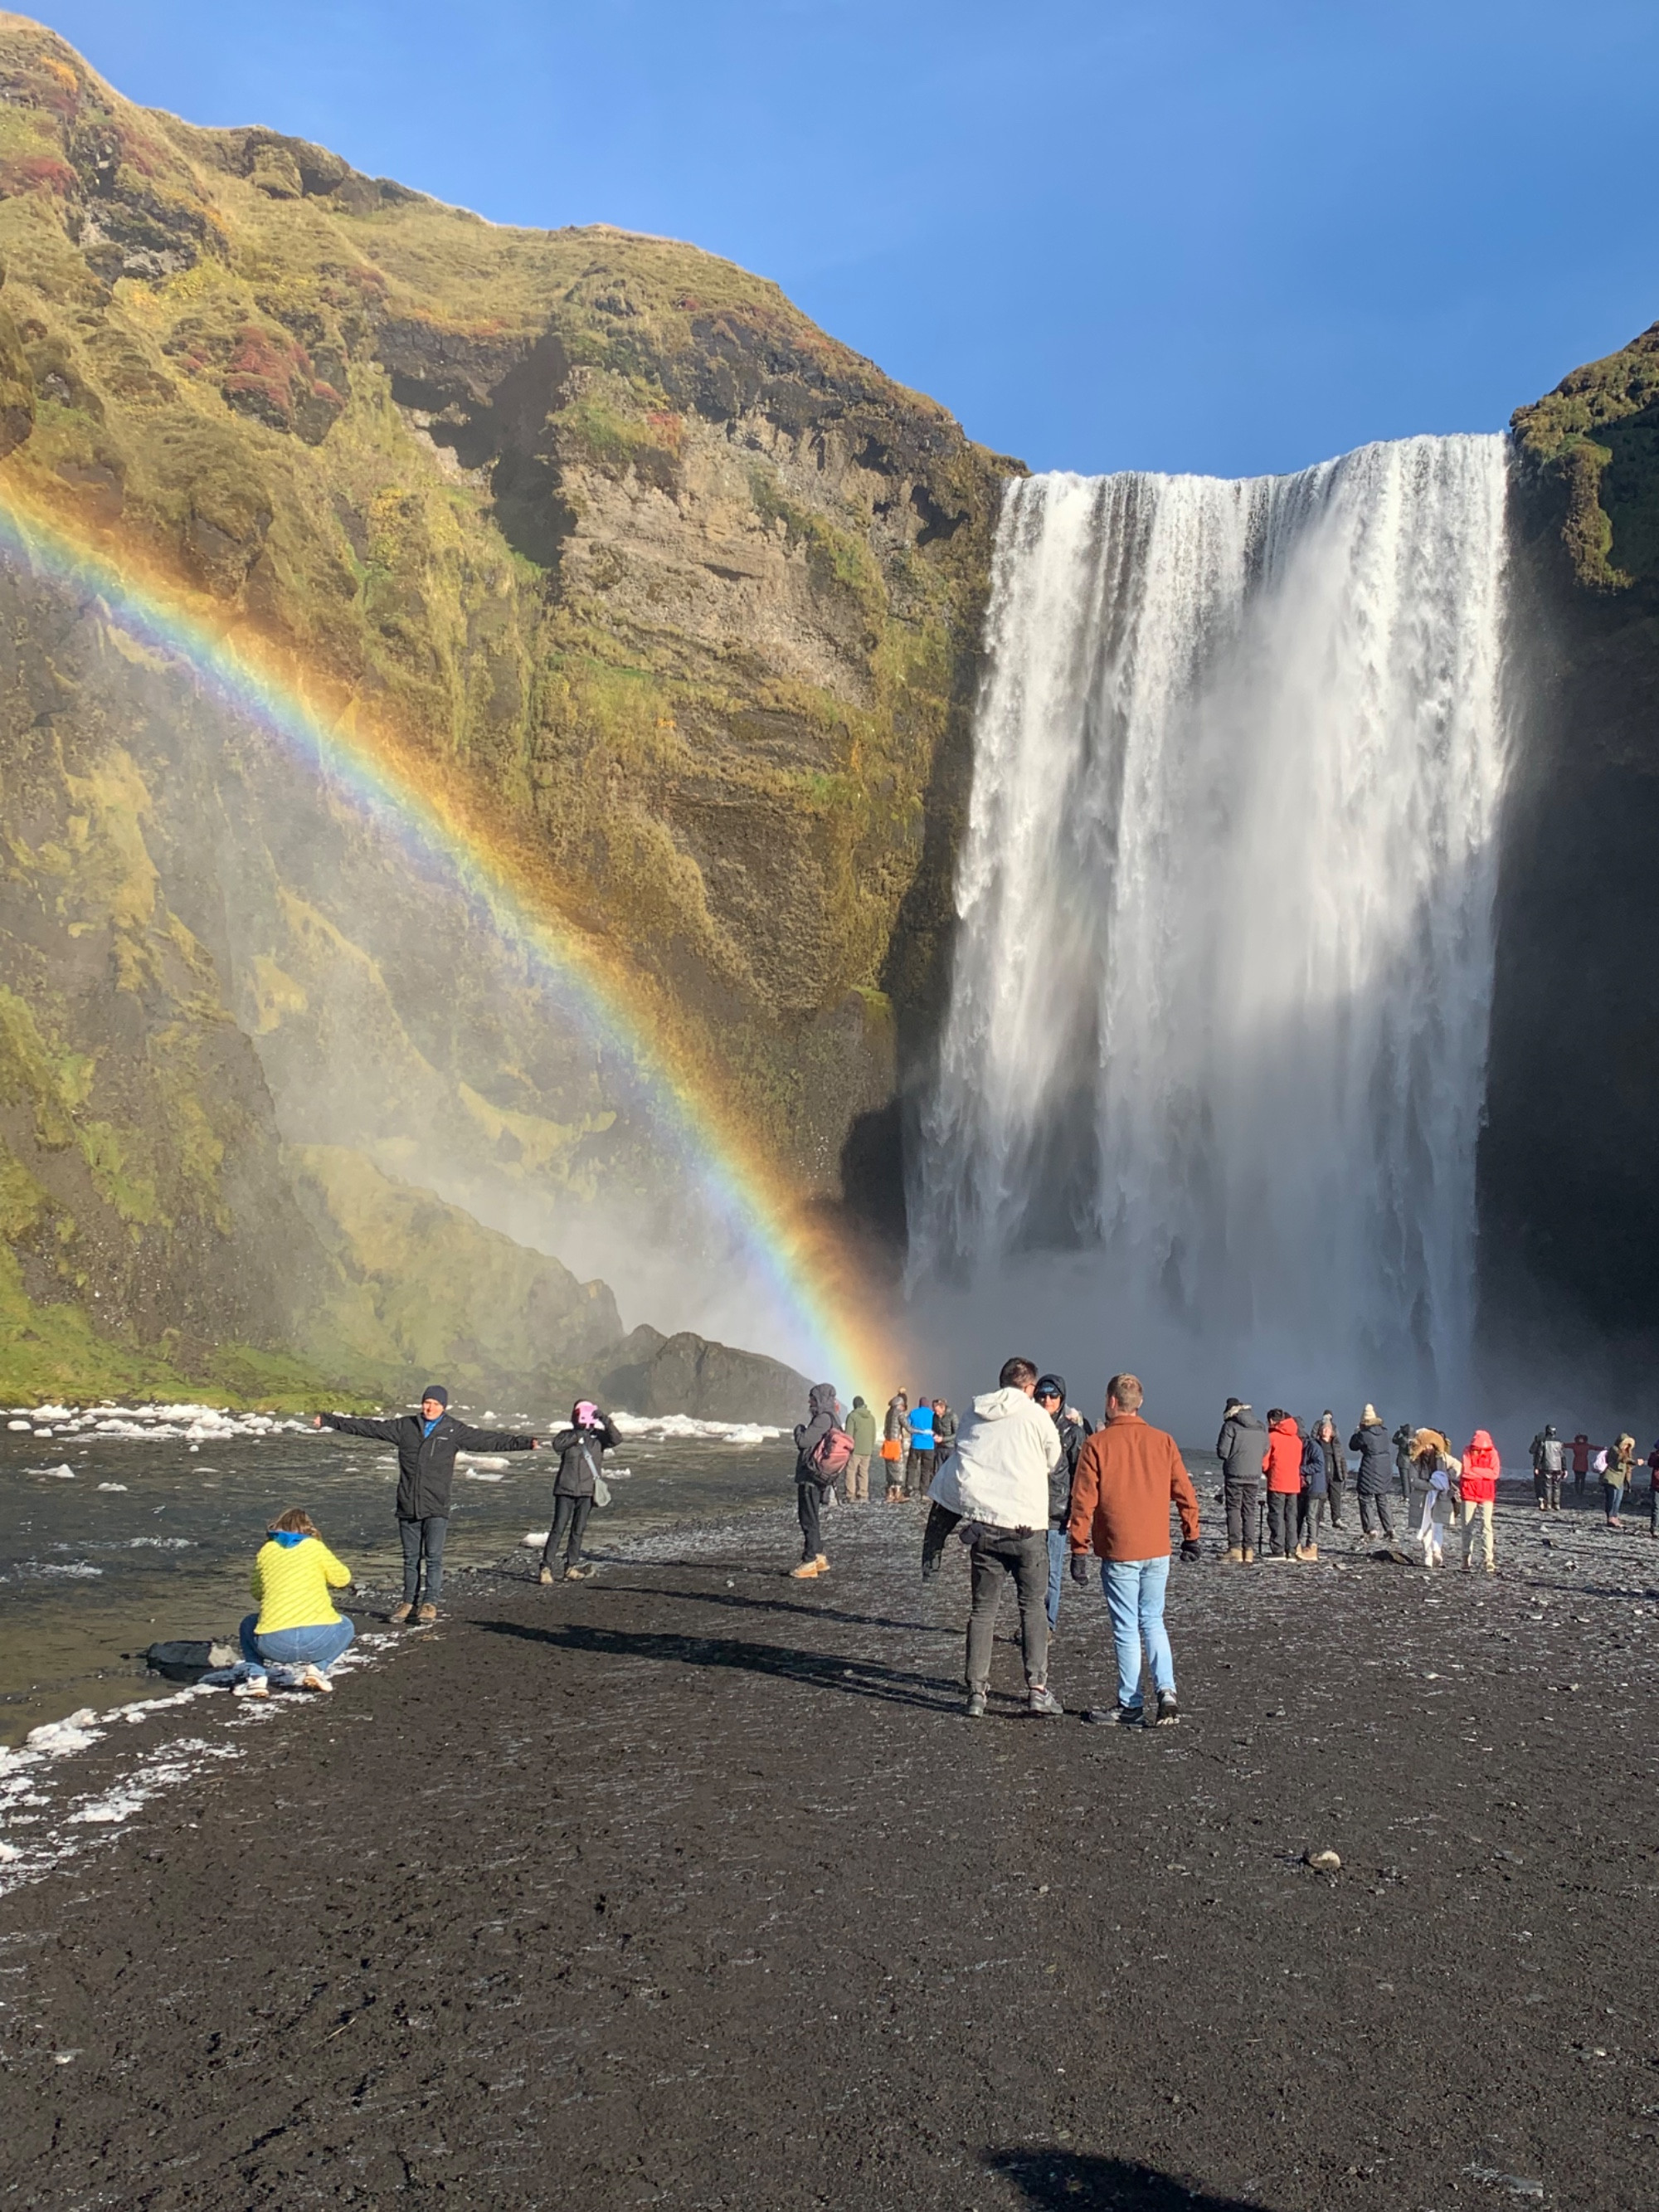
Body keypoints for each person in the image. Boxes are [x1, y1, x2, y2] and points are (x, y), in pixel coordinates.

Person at [314, 1388, 539, 1622]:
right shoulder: (405, 1427)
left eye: (435, 1404)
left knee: (433, 1557)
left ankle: (429, 1604)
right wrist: (330, 1420)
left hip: (436, 1504)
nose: (429, 1408)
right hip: (408, 1503)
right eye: (426, 1403)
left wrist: (524, 1442)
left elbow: (489, 1440)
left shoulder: (453, 1430)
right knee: (410, 1558)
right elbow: (369, 1427)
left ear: (444, 1406)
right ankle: (408, 1603)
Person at [926, 1357, 1064, 1719]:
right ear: (1030, 1388)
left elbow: (960, 1464)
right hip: (1026, 1528)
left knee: (982, 1611)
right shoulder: (1036, 1417)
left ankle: (976, 1692)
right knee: (1032, 1607)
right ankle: (1036, 1689)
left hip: (984, 1527)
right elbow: (1053, 1458)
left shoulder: (974, 1412)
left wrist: (935, 1542)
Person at [1068, 1372, 1200, 1727]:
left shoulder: (1097, 1445)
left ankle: (1130, 1704)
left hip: (1120, 1550)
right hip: (1158, 1549)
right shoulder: (1164, 1441)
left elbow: (1083, 1503)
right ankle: (1167, 1691)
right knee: (1153, 1620)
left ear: (1111, 1402)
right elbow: (1185, 1492)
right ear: (1139, 1403)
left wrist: (1078, 1549)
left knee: (1126, 1628)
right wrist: (1192, 1535)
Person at [238, 1508, 354, 1694]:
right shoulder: (315, 1547)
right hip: (318, 1640)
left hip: (274, 1644)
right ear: (309, 1528)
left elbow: (257, 1592)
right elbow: (343, 1579)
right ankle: (317, 1670)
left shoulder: (266, 1551)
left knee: (248, 1623)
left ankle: (257, 1678)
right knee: (346, 1625)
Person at [538, 1401, 620, 1584]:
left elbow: (616, 1439)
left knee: (578, 1530)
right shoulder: (566, 1436)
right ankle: (546, 1567)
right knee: (558, 1528)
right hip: (565, 1489)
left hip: (587, 1491)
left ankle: (571, 1567)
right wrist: (579, 1431)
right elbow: (557, 1446)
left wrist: (604, 1420)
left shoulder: (599, 1438)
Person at [1034, 1372, 1092, 1628]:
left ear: (1061, 1398)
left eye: (1053, 1395)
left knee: (1052, 1573)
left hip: (1057, 1513)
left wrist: (1075, 1513)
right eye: (1042, 1395)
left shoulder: (1074, 1433)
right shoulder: (1028, 1426)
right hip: (1027, 1510)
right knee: (1030, 1573)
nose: (1047, 1400)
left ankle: (1047, 1624)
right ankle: (1032, 1622)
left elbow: (1082, 1476)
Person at [1216, 1396, 1266, 1563]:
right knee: (1249, 1511)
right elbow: (1266, 1449)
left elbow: (1223, 1452)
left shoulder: (1230, 1426)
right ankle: (1249, 1550)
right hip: (1253, 1476)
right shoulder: (1260, 1427)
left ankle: (1235, 1548)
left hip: (1234, 1475)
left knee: (1234, 1510)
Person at [1411, 1429, 1457, 1567]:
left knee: (1437, 1526)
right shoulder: (1415, 1461)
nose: (1427, 1448)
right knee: (1425, 1527)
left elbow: (1458, 1467)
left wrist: (1445, 1478)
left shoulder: (1443, 1458)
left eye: (1430, 1445)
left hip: (1439, 1498)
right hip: (1423, 1498)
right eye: (1425, 1445)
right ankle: (1427, 1555)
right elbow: (1413, 1480)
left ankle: (1436, 1552)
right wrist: (1431, 1485)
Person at [1261, 1409, 1302, 1561]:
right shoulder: (1297, 1440)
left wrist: (1265, 1471)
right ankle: (1291, 1549)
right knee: (1291, 1517)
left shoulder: (1272, 1437)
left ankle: (1278, 1549)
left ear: (1272, 1421)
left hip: (1277, 1482)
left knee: (1276, 1516)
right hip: (1293, 1484)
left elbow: (1265, 1463)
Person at [1350, 1405, 1396, 1540]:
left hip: (1370, 1467)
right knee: (1382, 1498)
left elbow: (1352, 1446)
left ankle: (1371, 1529)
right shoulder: (1385, 1432)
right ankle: (1390, 1529)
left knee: (1365, 1498)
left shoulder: (1364, 1435)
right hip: (1385, 1468)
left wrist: (1356, 1433)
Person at [1458, 1427, 1501, 1573]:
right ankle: (1465, 1558)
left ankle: (1488, 1559)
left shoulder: (1493, 1453)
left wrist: (1474, 1470)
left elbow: (1495, 1474)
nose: (1481, 1452)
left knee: (1486, 1527)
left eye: (1483, 1449)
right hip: (1469, 1493)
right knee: (1466, 1527)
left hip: (1486, 1494)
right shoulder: (1467, 1451)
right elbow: (1465, 1471)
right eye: (1478, 1449)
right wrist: (1484, 1474)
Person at [1296, 1418, 1328, 1561]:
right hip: (1307, 1487)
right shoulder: (1306, 1446)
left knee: (1311, 1517)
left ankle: (1311, 1547)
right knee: (1300, 1516)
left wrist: (1300, 1470)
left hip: (1315, 1488)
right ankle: (1298, 1544)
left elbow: (1319, 1465)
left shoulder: (1313, 1447)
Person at [845, 1395, 878, 1503]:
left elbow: (848, 1435)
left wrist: (847, 1449)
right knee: (863, 1472)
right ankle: (863, 1494)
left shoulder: (852, 1416)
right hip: (867, 1449)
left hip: (855, 1449)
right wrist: (870, 1447)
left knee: (851, 1471)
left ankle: (851, 1494)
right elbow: (874, 1434)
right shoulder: (871, 1417)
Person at [1319, 1412, 1349, 1528]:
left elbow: (1342, 1459)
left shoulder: (1336, 1444)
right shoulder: (1317, 1444)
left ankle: (1336, 1519)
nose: (1326, 1431)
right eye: (1324, 1429)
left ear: (1332, 1431)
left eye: (1328, 1429)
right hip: (1322, 1475)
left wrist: (1344, 1473)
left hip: (1335, 1474)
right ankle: (1320, 1518)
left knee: (1336, 1498)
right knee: (1321, 1497)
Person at [904, 1395, 937, 1499]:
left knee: (912, 1467)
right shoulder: (932, 1414)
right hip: (929, 1446)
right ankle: (924, 1493)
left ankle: (909, 1488)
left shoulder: (913, 1412)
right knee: (926, 1469)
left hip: (915, 1444)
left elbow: (907, 1425)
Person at [1530, 1424, 1565, 1513]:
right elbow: (1563, 1456)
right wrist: (1564, 1468)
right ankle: (1556, 1504)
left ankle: (1547, 1504)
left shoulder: (1543, 1441)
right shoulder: (1559, 1442)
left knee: (1546, 1486)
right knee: (1557, 1486)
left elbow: (1537, 1453)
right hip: (1557, 1466)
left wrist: (1537, 1466)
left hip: (1546, 1466)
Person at [883, 1391, 909, 1503]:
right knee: (899, 1468)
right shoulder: (900, 1413)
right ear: (900, 1405)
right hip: (897, 1444)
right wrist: (923, 1431)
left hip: (888, 1443)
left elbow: (885, 1430)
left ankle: (889, 1493)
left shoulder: (888, 1413)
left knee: (890, 1468)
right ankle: (898, 1493)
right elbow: (909, 1428)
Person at [1605, 1432, 1636, 1527]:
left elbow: (1628, 1469)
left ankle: (1615, 1517)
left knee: (1618, 1500)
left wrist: (1628, 1482)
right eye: (1625, 1443)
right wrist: (1634, 1462)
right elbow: (1622, 1459)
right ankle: (1610, 1518)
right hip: (1611, 1478)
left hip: (1620, 1480)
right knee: (1612, 1499)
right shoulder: (1614, 1449)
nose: (1626, 1446)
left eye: (1628, 1445)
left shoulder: (1627, 1454)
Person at [1392, 1420, 1415, 1508]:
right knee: (1410, 1479)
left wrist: (1398, 1432)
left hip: (1403, 1461)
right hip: (1411, 1462)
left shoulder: (1403, 1440)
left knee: (1404, 1480)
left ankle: (1406, 1496)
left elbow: (1394, 1440)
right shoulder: (1414, 1441)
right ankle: (1412, 1495)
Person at [932, 1397, 958, 1461]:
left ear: (943, 1408)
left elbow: (957, 1433)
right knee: (939, 1469)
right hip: (939, 1448)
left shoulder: (952, 1416)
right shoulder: (935, 1416)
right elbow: (933, 1429)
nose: (936, 1413)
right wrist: (934, 1435)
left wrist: (943, 1439)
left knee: (949, 1469)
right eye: (935, 1411)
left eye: (937, 1411)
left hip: (950, 1448)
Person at [1571, 1431, 1591, 1499]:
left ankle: (1580, 1492)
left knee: (1581, 1479)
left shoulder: (1575, 1445)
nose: (1580, 1440)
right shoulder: (1586, 1446)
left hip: (1579, 1464)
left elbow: (1595, 1447)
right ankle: (1578, 1492)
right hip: (1581, 1464)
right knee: (1578, 1479)